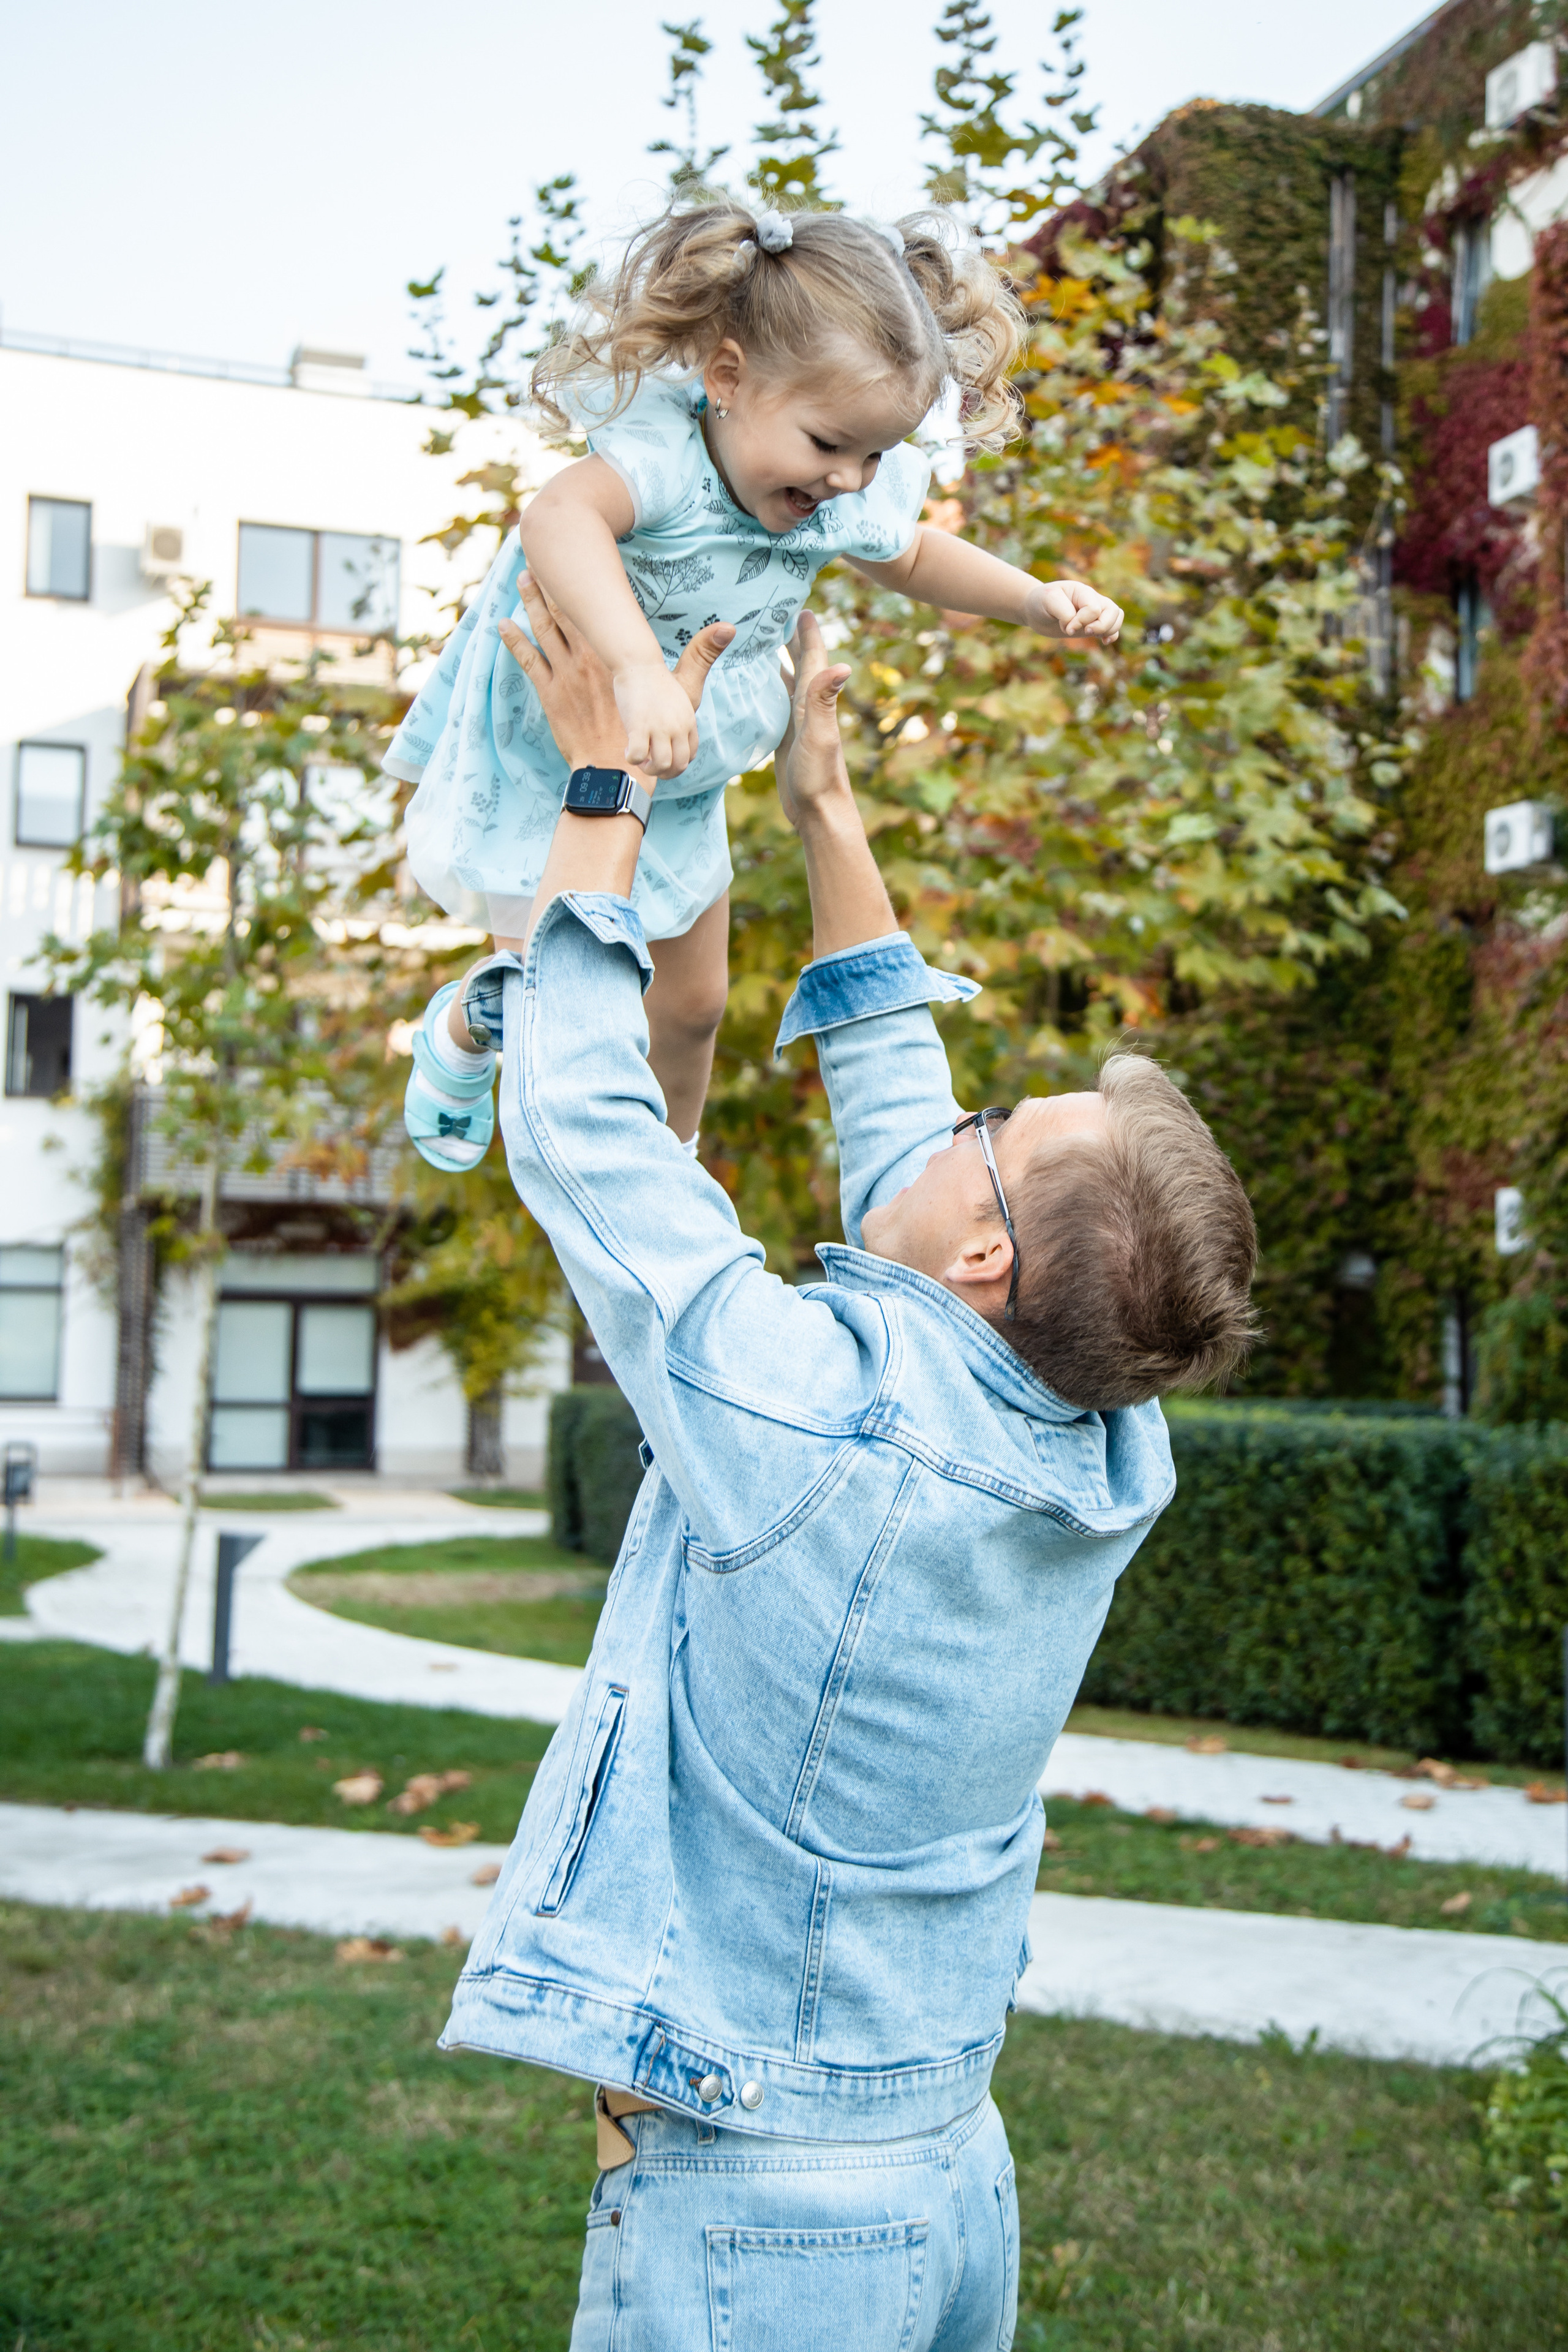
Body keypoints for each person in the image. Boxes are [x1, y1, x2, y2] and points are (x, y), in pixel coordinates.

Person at [426, 575, 1257, 2349]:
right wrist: (821, 800)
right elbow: (900, 1109)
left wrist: (602, 794)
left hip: (766, 2212)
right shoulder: (1103, 1435)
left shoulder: (815, 1423)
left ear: (984, 1253)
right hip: (943, 2168)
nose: (957, 1111)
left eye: (992, 1124)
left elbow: (582, 1127)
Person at [395, 200, 1125, 1166]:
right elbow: (558, 518)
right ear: (730, 379)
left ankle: (669, 1170)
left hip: (685, 764)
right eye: (829, 445)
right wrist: (635, 668)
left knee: (695, 1005)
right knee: (552, 986)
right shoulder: (664, 458)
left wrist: (1030, 599)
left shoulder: (831, 493)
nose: (851, 480)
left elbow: (909, 555)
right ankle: (462, 1026)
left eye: (874, 455)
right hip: (564, 749)